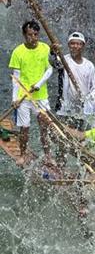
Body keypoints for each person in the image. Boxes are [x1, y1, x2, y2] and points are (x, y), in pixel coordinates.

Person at [9, 21, 53, 164]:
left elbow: (50, 69)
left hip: (41, 96)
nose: (33, 38)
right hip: (23, 96)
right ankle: (22, 155)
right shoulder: (18, 51)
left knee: (44, 127)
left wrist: (39, 84)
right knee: (25, 128)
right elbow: (16, 77)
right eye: (30, 35)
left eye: (35, 34)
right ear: (24, 35)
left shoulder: (45, 48)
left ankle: (48, 156)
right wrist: (15, 98)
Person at [54, 32, 95, 128]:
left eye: (78, 44)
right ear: (69, 45)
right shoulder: (64, 60)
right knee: (64, 136)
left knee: (80, 137)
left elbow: (93, 87)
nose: (75, 46)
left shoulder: (89, 65)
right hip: (65, 109)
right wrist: (53, 52)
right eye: (72, 43)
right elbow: (54, 62)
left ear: (83, 46)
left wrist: (87, 101)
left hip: (82, 109)